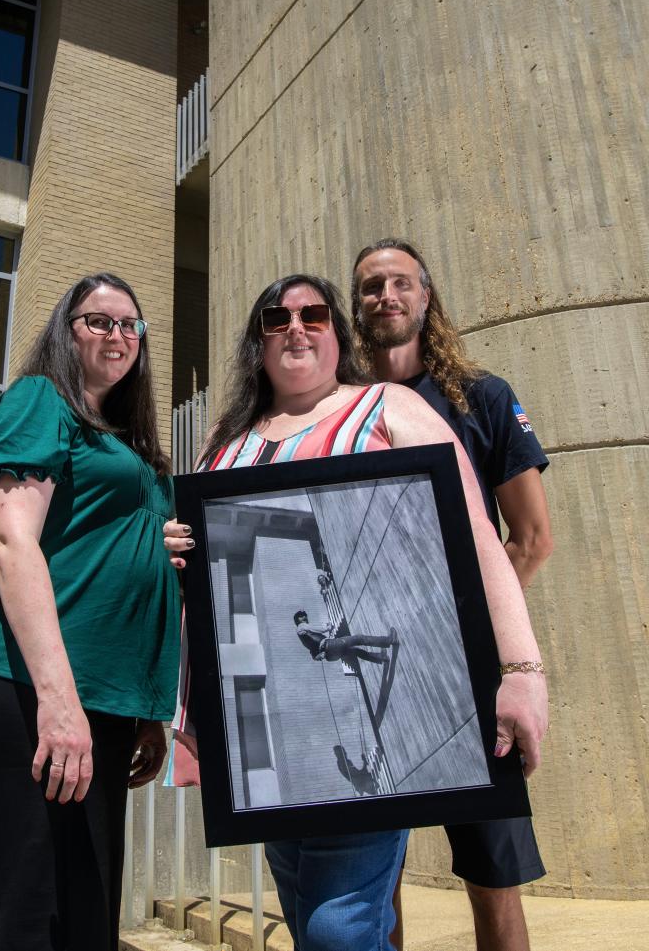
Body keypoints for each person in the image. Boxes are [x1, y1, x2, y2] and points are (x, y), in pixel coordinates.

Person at [164, 274, 548, 951]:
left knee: (336, 929)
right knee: (310, 915)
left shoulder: (387, 407)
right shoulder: (225, 438)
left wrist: (520, 667)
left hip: (363, 725)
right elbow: (204, 576)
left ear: (337, 334)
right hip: (260, 742)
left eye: (313, 313)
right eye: (274, 316)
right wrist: (176, 548)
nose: (294, 326)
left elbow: (478, 537)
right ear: (256, 341)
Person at [0, 273, 181, 951]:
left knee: (87, 913)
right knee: (33, 912)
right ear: (67, 329)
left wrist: (150, 709)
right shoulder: (41, 400)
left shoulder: (130, 441)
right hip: (44, 689)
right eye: (99, 320)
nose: (118, 335)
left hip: (110, 700)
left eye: (130, 325)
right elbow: (10, 538)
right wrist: (59, 702)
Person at [351, 238, 553, 951]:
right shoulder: (343, 412)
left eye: (399, 282)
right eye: (371, 286)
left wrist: (461, 626)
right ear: (358, 306)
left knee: (494, 878)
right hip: (372, 679)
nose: (385, 296)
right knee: (376, 879)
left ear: (425, 296)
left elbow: (530, 538)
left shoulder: (483, 397)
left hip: (468, 679)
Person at [294, 610, 397, 664]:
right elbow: (318, 629)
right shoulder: (301, 627)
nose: (305, 617)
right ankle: (389, 640)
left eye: (305, 615)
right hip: (331, 645)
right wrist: (327, 627)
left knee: (356, 652)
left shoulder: (304, 641)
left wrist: (320, 655)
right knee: (359, 639)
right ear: (298, 619)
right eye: (302, 616)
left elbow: (315, 656)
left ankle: (381, 657)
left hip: (331, 656)